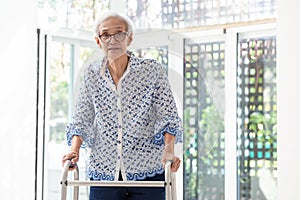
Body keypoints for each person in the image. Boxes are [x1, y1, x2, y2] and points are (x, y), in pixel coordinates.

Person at [62, 10, 183, 200]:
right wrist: (74, 151)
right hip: (103, 170)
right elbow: (82, 118)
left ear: (130, 38)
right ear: (98, 41)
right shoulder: (91, 74)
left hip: (147, 170)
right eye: (106, 35)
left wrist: (169, 152)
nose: (113, 40)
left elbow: (168, 116)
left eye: (119, 33)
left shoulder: (152, 70)